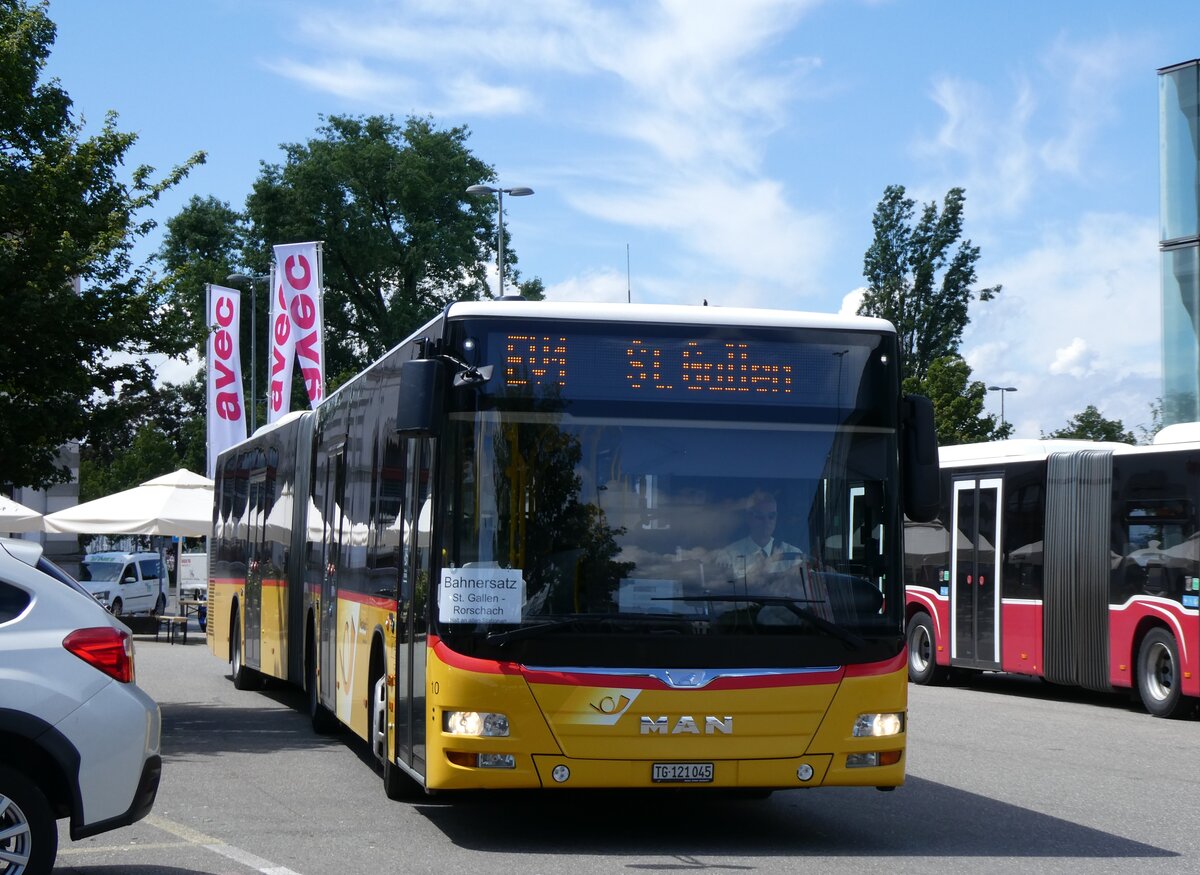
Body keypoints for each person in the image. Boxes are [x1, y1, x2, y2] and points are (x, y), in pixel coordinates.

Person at [717, 489, 831, 622]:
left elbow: (807, 596)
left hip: (787, 626)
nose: (766, 522)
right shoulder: (728, 555)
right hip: (742, 623)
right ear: (748, 518)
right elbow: (722, 598)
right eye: (759, 517)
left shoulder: (795, 556)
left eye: (771, 516)